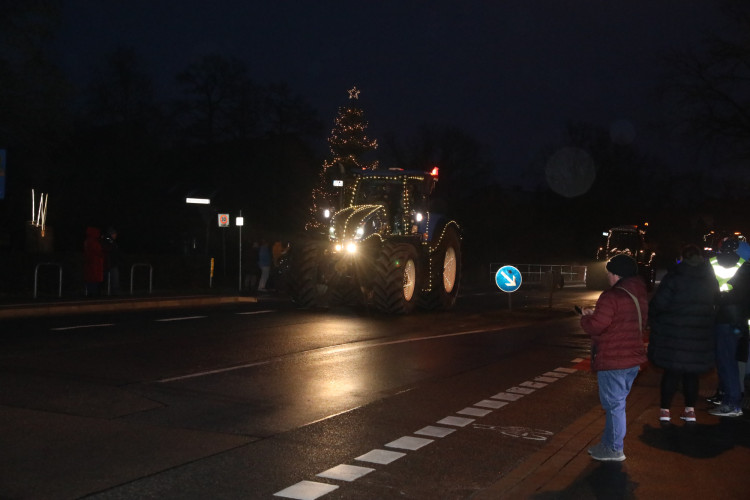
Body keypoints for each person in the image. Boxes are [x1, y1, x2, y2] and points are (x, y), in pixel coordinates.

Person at [580, 254, 647, 462]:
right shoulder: (639, 294)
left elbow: (597, 326)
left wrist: (586, 317)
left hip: (614, 359)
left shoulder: (612, 296)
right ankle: (607, 444)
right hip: (632, 358)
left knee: (614, 406)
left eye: (610, 273)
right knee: (616, 404)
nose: (608, 277)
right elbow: (622, 321)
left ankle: (615, 449)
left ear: (617, 274)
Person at [648, 244, 718, 424]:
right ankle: (690, 411)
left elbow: (659, 304)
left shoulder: (674, 277)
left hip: (674, 334)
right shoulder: (709, 278)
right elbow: (716, 302)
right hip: (698, 335)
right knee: (691, 374)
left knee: (671, 372)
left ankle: (665, 411)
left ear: (682, 258)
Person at [707, 236, 750, 417]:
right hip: (739, 320)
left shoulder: (713, 263)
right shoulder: (745, 266)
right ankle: (731, 400)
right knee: (734, 362)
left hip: (724, 318)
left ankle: (732, 403)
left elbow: (713, 292)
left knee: (726, 362)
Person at [83, 226, 104, 296]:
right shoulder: (94, 242)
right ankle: (94, 293)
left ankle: (91, 292)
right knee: (94, 280)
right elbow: (100, 252)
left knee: (90, 279)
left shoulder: (87, 241)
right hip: (95, 264)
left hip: (91, 264)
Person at [101, 227, 120, 295]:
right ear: (111, 234)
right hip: (110, 263)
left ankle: (113, 292)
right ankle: (114, 292)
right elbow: (109, 250)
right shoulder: (108, 240)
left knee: (113, 278)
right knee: (113, 278)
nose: (116, 235)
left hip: (111, 263)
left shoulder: (110, 240)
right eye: (114, 234)